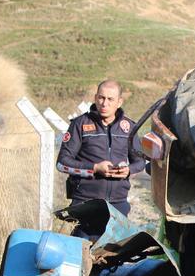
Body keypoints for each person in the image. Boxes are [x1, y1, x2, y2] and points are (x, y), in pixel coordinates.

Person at [56, 80, 146, 238]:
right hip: (85, 205)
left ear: (119, 102)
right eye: (101, 98)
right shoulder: (80, 124)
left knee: (113, 257)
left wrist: (128, 171)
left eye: (110, 99)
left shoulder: (129, 127)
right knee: (81, 256)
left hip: (118, 205)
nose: (104, 103)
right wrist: (95, 168)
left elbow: (140, 162)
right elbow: (62, 163)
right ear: (95, 98)